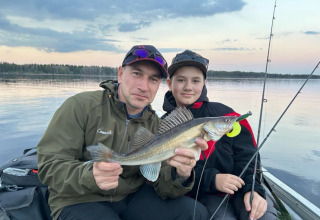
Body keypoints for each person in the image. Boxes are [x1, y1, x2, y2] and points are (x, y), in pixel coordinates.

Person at [37, 45, 210, 220]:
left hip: (130, 196)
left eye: (153, 79)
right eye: (137, 74)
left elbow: (165, 187)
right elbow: (49, 166)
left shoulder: (157, 125)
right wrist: (90, 176)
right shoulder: (80, 107)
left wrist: (181, 175)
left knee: (195, 214)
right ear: (120, 73)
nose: (144, 86)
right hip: (78, 200)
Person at [162, 50, 278, 220]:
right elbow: (172, 174)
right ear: (169, 83)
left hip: (242, 188)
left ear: (204, 83)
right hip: (205, 194)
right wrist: (213, 179)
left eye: (196, 80)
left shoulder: (227, 116)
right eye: (181, 80)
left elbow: (248, 157)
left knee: (262, 216)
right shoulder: (162, 127)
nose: (188, 87)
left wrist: (253, 190)